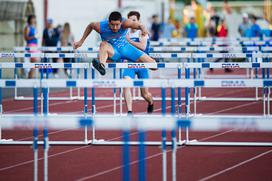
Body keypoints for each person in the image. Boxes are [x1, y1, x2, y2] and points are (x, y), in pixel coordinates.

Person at [73, 11, 157, 76]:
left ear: (121, 22)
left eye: (117, 25)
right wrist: (81, 41)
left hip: (126, 48)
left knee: (154, 65)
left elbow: (139, 25)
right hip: (113, 51)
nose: (115, 28)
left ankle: (131, 60)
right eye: (112, 25)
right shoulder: (100, 26)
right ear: (108, 22)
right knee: (103, 44)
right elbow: (90, 25)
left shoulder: (125, 22)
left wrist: (144, 30)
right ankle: (101, 65)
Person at [123, 11, 154, 114]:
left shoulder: (142, 32)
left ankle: (150, 102)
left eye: (134, 20)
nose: (132, 22)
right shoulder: (125, 33)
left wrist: (129, 41)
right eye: (130, 20)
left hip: (142, 65)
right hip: (130, 64)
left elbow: (142, 46)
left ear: (138, 21)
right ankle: (130, 111)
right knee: (126, 84)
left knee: (145, 94)